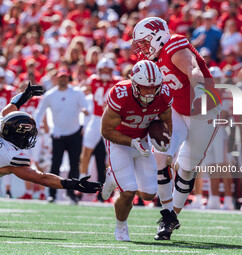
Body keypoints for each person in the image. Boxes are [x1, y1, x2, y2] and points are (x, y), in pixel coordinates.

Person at [133, 17, 220, 240]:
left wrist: (201, 94)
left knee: (187, 168)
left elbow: (193, 70)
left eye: (144, 43)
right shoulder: (151, 59)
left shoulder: (174, 44)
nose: (142, 49)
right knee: (161, 156)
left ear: (157, 36)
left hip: (203, 110)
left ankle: (173, 214)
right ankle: (168, 217)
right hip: (176, 110)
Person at [100, 60, 173, 241]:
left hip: (142, 140)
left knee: (148, 194)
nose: (150, 91)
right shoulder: (120, 93)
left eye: (153, 87)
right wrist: (131, 142)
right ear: (134, 84)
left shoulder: (163, 94)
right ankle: (121, 227)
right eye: (145, 87)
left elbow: (167, 121)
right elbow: (106, 130)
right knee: (129, 191)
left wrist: (165, 139)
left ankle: (114, 177)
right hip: (119, 140)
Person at [0, 81, 101, 195]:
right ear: (15, 135)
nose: (26, 138)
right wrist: (73, 184)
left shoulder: (3, 125)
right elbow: (42, 178)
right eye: (25, 135)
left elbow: (6, 112)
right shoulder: (12, 155)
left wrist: (23, 96)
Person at [35, 67, 90, 203]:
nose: (63, 79)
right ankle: (52, 194)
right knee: (55, 165)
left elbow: (87, 108)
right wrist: (35, 127)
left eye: (65, 77)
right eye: (61, 77)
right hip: (58, 133)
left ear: (68, 78)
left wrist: (85, 117)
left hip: (74, 132)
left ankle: (71, 193)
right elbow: (39, 112)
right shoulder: (50, 95)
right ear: (57, 78)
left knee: (74, 164)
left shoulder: (76, 92)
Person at [79, 58, 121, 201]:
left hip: (110, 120)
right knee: (86, 151)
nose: (105, 73)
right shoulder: (92, 80)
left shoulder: (117, 81)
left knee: (112, 155)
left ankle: (112, 186)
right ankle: (81, 181)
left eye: (107, 71)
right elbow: (81, 91)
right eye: (103, 71)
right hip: (96, 118)